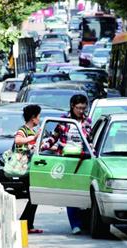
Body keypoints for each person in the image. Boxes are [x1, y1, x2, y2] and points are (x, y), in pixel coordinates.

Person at [41, 94, 92, 235]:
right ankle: (75, 224)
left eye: (83, 108)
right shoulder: (63, 120)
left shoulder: (87, 121)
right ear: (72, 107)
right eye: (78, 108)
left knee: (84, 192)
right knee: (71, 192)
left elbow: (90, 140)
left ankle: (84, 221)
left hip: (83, 160)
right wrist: (44, 145)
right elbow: (54, 136)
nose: (81, 111)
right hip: (66, 159)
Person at [14, 104, 43, 234]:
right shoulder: (24, 130)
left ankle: (27, 224)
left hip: (32, 168)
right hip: (25, 168)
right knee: (34, 198)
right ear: (33, 117)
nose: (39, 119)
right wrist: (33, 138)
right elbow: (18, 140)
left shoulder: (32, 131)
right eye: (39, 116)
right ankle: (24, 223)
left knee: (34, 198)